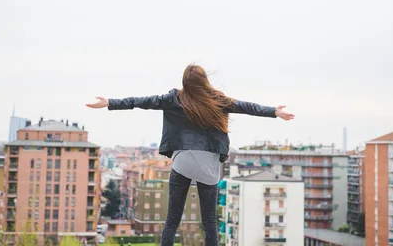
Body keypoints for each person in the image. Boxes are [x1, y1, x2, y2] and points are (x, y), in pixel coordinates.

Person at [86, 64, 294, 246]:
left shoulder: (174, 98)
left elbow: (141, 101)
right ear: (205, 81)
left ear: (185, 81)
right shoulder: (218, 100)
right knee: (210, 221)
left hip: (183, 163)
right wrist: (275, 111)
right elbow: (249, 107)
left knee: (172, 220)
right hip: (208, 166)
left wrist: (110, 102)